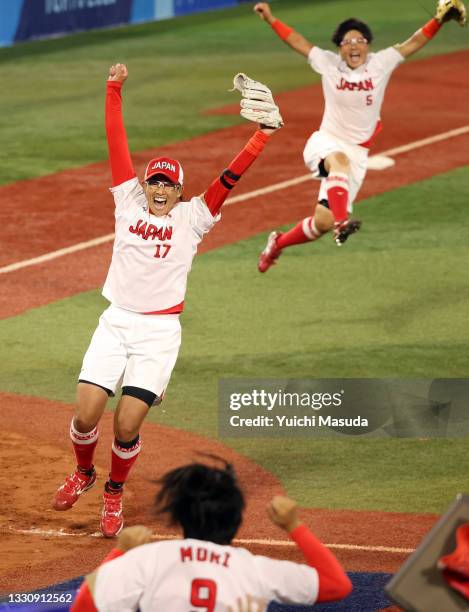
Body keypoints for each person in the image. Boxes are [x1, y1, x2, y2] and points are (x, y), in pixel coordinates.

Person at [52, 64, 282, 537]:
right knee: (86, 413)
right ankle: (83, 473)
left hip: (158, 333)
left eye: (167, 184)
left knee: (126, 424)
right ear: (146, 184)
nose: (159, 189)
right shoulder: (127, 201)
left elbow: (229, 177)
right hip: (115, 322)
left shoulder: (195, 216)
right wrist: (113, 88)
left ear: (179, 190)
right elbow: (117, 141)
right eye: (153, 181)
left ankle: (113, 494)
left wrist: (261, 137)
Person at [254, 0, 466, 272]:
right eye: (347, 41)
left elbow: (413, 42)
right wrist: (271, 18)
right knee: (339, 163)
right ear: (339, 48)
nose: (354, 45)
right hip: (326, 141)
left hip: (358, 153)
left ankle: (278, 243)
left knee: (322, 222)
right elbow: (297, 40)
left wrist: (438, 21)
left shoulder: (380, 63)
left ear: (368, 45)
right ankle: (342, 222)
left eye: (360, 40)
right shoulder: (328, 64)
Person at [71, 460, 352, 610]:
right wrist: (294, 526)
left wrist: (120, 552)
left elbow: (84, 606)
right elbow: (337, 585)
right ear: (237, 517)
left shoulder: (150, 559)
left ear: (179, 516)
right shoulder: (254, 569)